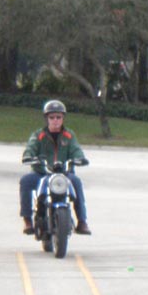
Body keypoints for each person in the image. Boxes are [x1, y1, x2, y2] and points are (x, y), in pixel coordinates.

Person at [19, 100, 91, 236]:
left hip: (64, 174)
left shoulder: (69, 135)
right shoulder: (39, 135)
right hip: (42, 173)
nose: (55, 120)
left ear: (63, 118)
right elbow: (30, 148)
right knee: (25, 181)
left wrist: (80, 158)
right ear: (46, 118)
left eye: (59, 117)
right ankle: (27, 220)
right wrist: (29, 156)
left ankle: (82, 222)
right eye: (52, 117)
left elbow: (76, 150)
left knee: (76, 182)